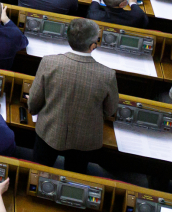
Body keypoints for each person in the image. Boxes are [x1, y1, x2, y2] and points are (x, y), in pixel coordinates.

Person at [27, 17, 117, 173]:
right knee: (75, 178)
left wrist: (32, 108)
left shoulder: (49, 62)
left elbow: (34, 102)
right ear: (93, 45)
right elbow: (110, 110)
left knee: (39, 172)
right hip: (85, 137)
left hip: (49, 129)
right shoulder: (107, 75)